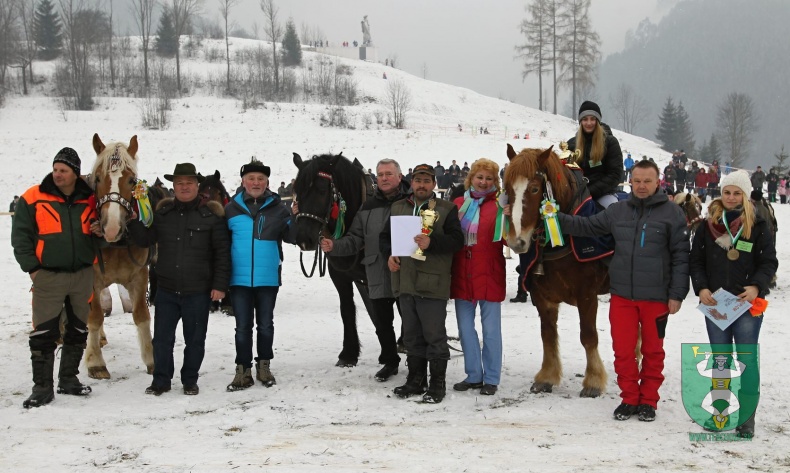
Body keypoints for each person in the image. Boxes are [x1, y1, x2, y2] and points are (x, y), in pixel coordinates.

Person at [556, 160, 690, 422]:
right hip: (622, 297)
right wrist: (554, 218)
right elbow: (587, 226)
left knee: (653, 351)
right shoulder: (618, 211)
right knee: (623, 351)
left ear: (657, 182)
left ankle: (648, 400)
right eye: (637, 180)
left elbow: (681, 256)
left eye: (647, 181)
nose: (641, 186)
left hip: (656, 298)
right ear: (630, 181)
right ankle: (629, 398)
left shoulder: (672, 214)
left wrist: (677, 294)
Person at [128, 163, 230, 396]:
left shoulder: (211, 217)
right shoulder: (162, 215)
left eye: (189, 183)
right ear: (173, 187)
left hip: (198, 291)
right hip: (166, 290)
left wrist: (220, 286)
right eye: (180, 183)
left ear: (197, 186)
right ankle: (161, 381)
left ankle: (189, 380)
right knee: (162, 340)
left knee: (195, 341)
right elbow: (145, 240)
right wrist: (134, 220)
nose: (184, 187)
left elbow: (222, 254)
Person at [689, 170, 778, 438]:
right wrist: (702, 287)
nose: (731, 197)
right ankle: (720, 412)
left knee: (747, 360)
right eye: (727, 192)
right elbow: (696, 261)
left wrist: (756, 286)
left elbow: (769, 262)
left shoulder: (758, 225)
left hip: (747, 305)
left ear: (745, 195)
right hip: (717, 303)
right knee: (720, 360)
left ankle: (747, 417)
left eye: (737, 193)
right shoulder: (707, 226)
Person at [12, 148, 103, 408]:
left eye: (64, 170)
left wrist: (97, 230)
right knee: (43, 332)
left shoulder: (89, 200)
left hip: (82, 275)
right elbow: (20, 237)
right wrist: (33, 269)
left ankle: (68, 380)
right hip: (48, 277)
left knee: (77, 329)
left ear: (75, 173)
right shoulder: (33, 196)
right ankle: (42, 387)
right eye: (55, 169)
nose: (57, 174)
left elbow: (100, 230)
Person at [320, 158, 410, 382]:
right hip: (377, 271)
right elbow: (355, 238)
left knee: (411, 320)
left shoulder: (412, 202)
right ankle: (390, 362)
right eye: (380, 175)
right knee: (383, 323)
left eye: (389, 174)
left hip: (408, 272)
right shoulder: (368, 206)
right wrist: (334, 245)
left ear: (400, 177)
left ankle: (417, 364)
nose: (385, 178)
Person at [386, 164, 463, 403]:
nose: (422, 185)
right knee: (411, 336)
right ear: (412, 183)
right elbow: (384, 239)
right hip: (405, 281)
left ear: (434, 184)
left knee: (434, 336)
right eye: (418, 180)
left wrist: (432, 242)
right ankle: (415, 380)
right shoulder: (398, 207)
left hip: (433, 282)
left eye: (427, 181)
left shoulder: (446, 209)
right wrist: (390, 255)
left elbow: (457, 241)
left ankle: (437, 384)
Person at [225, 159, 297, 391]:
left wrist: (296, 218)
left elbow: (293, 237)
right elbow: (221, 244)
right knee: (242, 327)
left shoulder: (279, 208)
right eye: (251, 178)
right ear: (243, 182)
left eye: (260, 179)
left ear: (267, 182)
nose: (256, 182)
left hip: (267, 279)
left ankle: (264, 365)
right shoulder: (230, 209)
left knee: (266, 325)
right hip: (239, 279)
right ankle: (242, 370)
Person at [450, 159, 510, 396]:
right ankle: (474, 375)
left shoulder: (501, 205)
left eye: (489, 178)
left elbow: (511, 241)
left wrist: (512, 219)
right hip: (462, 274)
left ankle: (492, 378)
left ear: (495, 181)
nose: (484, 182)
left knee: (491, 330)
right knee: (465, 329)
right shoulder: (457, 204)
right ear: (471, 178)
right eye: (480, 177)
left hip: (490, 274)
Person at [566, 101, 624, 208]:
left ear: (598, 121)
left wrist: (589, 192)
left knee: (613, 212)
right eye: (585, 119)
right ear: (580, 122)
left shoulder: (610, 142)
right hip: (577, 196)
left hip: (604, 194)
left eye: (592, 119)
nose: (589, 123)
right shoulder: (571, 144)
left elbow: (615, 174)